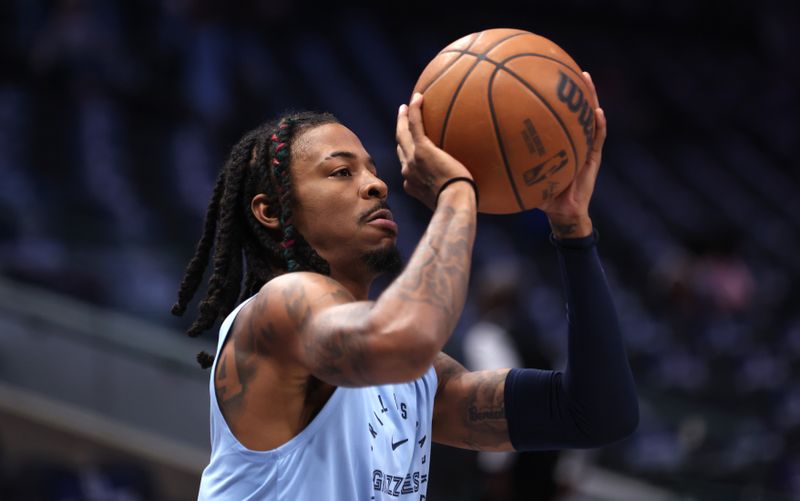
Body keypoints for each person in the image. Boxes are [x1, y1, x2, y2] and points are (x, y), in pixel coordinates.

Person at [171, 72, 638, 500]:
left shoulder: (418, 378)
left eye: (373, 169)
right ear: (271, 211)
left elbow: (597, 415)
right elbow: (404, 337)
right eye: (341, 172)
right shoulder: (277, 309)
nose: (377, 185)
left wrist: (573, 229)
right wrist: (458, 191)